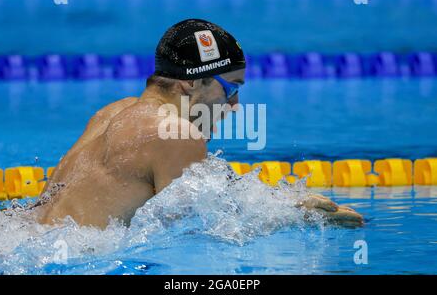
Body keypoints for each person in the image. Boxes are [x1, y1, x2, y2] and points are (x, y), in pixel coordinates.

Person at [34, 19, 363, 229]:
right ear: (191, 83)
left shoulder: (112, 112)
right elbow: (203, 228)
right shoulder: (175, 133)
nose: (234, 106)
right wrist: (300, 217)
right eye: (231, 88)